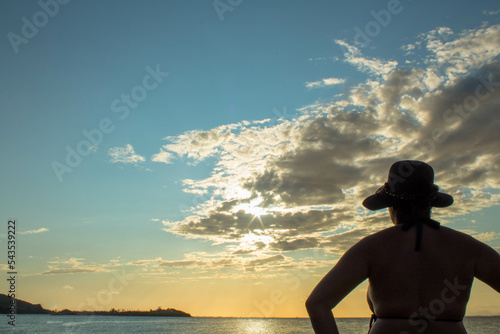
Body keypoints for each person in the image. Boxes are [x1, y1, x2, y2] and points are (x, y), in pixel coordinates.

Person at [305, 160, 500, 334]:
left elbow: (317, 303)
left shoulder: (371, 247)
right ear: (430, 205)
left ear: (391, 206)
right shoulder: (469, 247)